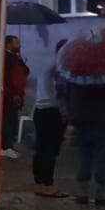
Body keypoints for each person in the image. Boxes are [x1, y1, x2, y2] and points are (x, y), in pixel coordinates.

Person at [66, 79, 105, 206]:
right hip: (101, 119)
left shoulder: (77, 73)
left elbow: (68, 93)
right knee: (103, 157)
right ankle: (101, 194)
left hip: (81, 119)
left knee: (84, 156)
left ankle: (82, 193)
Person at [32, 40, 69, 197]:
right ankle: (47, 184)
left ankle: (40, 183)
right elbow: (60, 90)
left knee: (41, 148)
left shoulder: (48, 63)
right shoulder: (58, 67)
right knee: (50, 149)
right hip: (51, 111)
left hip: (40, 110)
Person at [2, 35, 30, 158]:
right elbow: (14, 79)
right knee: (8, 121)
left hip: (12, 95)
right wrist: (16, 94)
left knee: (12, 120)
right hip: (10, 96)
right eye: (16, 43)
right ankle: (5, 146)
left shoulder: (12, 58)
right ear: (8, 44)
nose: (19, 45)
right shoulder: (9, 59)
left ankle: (9, 145)